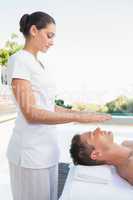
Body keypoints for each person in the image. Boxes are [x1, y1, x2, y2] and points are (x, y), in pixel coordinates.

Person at [7, 11, 111, 200]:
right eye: (49, 35)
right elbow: (31, 113)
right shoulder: (20, 60)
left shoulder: (38, 64)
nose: (52, 41)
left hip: (47, 152)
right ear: (33, 30)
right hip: (30, 154)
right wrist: (79, 118)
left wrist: (83, 113)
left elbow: (49, 106)